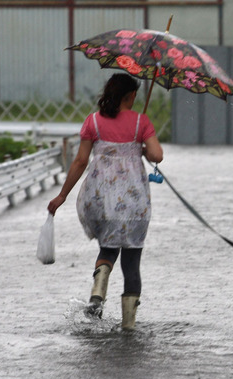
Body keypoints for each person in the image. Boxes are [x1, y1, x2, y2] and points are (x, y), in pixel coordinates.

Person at [47, 73, 163, 331]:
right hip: (134, 202)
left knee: (108, 249)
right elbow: (157, 154)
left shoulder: (93, 122)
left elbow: (79, 162)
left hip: (100, 199)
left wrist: (62, 195)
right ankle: (129, 326)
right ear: (130, 96)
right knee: (131, 262)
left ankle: (97, 293)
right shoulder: (140, 123)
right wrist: (141, 146)